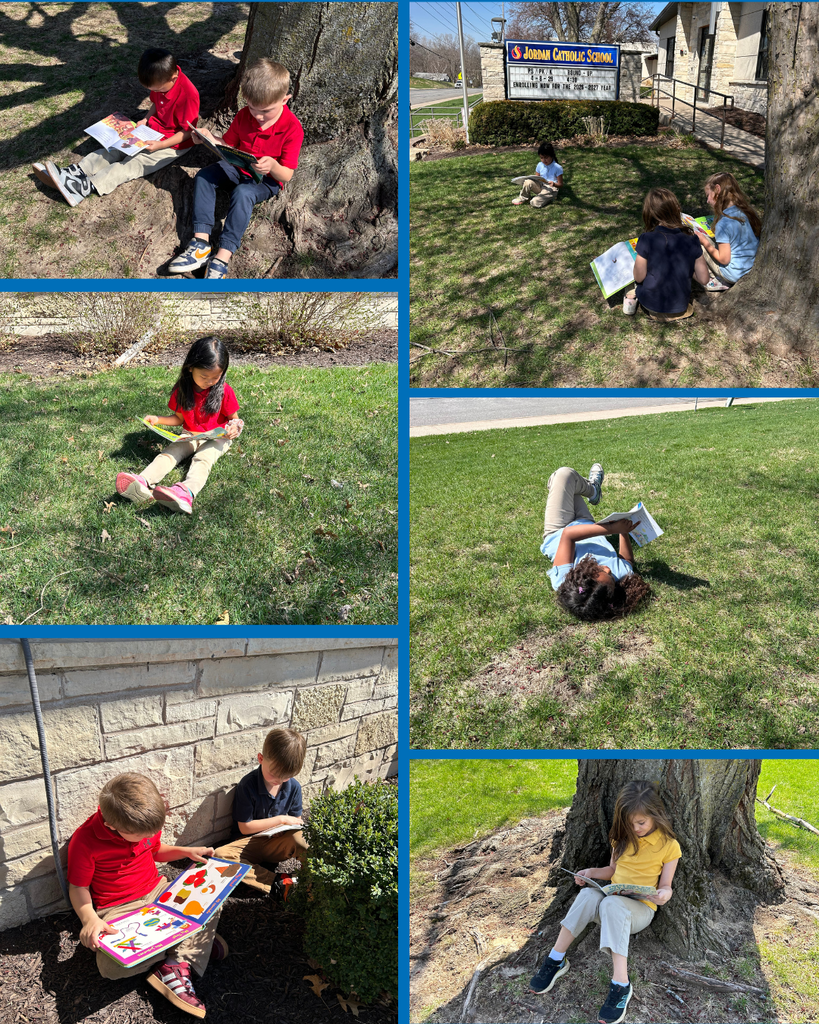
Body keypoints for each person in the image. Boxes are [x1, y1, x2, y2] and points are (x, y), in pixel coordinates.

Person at [67, 773, 223, 1018]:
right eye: (142, 835)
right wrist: (89, 919)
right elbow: (78, 887)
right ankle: (187, 945)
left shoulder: (141, 827)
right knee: (110, 967)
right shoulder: (84, 841)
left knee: (212, 900)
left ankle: (172, 965)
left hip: (158, 891)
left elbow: (156, 850)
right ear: (112, 826)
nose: (148, 838)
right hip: (119, 909)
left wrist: (186, 852)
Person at [529, 780, 681, 1024]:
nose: (636, 828)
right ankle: (555, 959)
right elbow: (612, 871)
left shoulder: (669, 845)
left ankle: (621, 984)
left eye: (641, 823)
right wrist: (590, 873)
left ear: (655, 815)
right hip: (612, 904)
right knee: (588, 895)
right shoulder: (621, 838)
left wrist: (663, 895)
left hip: (639, 911)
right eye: (630, 824)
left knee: (611, 904)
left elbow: (666, 886)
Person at [168, 58, 304, 279]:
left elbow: (286, 175)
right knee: (204, 176)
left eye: (265, 111)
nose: (257, 116)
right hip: (237, 166)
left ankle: (222, 257)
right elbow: (229, 145)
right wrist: (208, 138)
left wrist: (272, 165)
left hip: (266, 180)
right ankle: (201, 244)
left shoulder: (292, 128)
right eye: (251, 108)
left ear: (285, 100)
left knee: (243, 193)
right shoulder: (243, 116)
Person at [34, 48, 199, 208]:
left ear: (173, 78)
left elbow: (188, 132)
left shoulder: (188, 95)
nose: (155, 92)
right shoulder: (161, 78)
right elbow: (156, 103)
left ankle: (84, 187)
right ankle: (76, 172)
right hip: (151, 130)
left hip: (173, 144)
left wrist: (161, 145)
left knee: (133, 164)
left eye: (159, 89)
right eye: (151, 90)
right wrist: (145, 119)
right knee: (115, 148)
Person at [115, 336, 244, 515]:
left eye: (216, 377)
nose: (210, 382)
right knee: (171, 452)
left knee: (203, 459)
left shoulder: (224, 391)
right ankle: (142, 481)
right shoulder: (182, 390)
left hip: (218, 437)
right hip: (191, 434)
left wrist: (233, 429)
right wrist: (158, 419)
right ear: (190, 367)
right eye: (204, 376)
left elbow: (235, 419)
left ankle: (186, 492)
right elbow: (178, 419)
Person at [540, 465, 650, 621]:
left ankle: (593, 490)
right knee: (569, 482)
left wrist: (611, 528)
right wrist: (623, 532)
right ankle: (592, 490)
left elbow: (568, 535)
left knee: (563, 476)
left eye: (601, 571)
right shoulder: (618, 576)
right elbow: (627, 561)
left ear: (581, 576)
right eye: (611, 577)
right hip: (585, 521)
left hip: (558, 529)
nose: (608, 569)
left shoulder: (564, 580)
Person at [214, 728, 308, 895]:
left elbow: (296, 822)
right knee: (220, 855)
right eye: (274, 774)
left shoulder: (294, 787)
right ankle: (277, 884)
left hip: (275, 844)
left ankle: (311, 882)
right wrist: (281, 820)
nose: (279, 781)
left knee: (303, 840)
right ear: (260, 759)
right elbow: (245, 827)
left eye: (286, 777)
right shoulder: (248, 785)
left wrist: (286, 828)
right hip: (249, 844)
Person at [623, 187, 711, 320]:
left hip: (651, 304)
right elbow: (704, 279)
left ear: (650, 213)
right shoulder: (692, 239)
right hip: (681, 307)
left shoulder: (647, 238)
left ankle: (630, 301)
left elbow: (639, 277)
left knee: (630, 278)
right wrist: (687, 267)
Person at [692, 171, 762, 289]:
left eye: (708, 195)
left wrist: (704, 241)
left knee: (696, 243)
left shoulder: (723, 224)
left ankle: (712, 279)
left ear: (717, 190)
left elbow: (724, 259)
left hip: (733, 274)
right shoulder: (747, 212)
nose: (707, 200)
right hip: (750, 266)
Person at [512, 141, 564, 208]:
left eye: (546, 158)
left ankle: (548, 198)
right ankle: (524, 197)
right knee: (527, 182)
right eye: (541, 158)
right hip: (541, 185)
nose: (544, 160)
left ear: (551, 156)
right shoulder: (540, 165)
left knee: (534, 202)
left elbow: (560, 184)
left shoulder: (557, 167)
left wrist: (554, 184)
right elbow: (536, 178)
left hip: (551, 189)